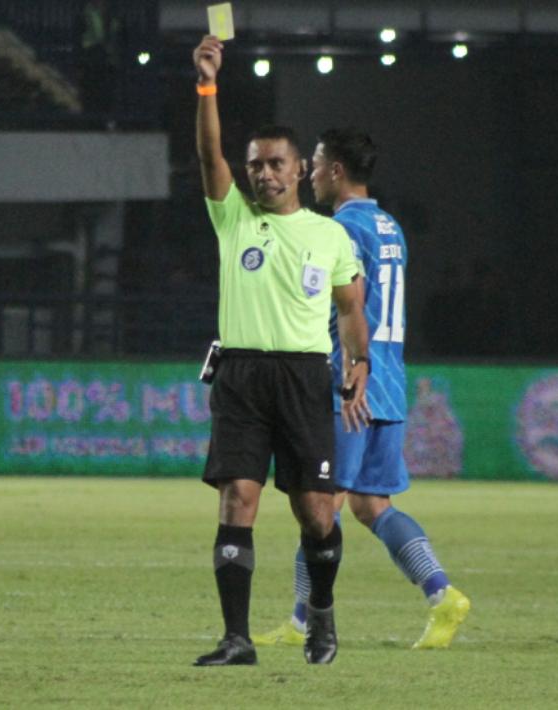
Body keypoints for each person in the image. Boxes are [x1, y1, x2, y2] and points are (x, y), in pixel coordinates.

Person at [251, 127, 471, 651]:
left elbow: (341, 302)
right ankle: (443, 595)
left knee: (319, 504)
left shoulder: (341, 228)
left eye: (317, 162)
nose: (310, 172)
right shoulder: (389, 225)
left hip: (349, 382)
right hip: (390, 378)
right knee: (371, 504)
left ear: (334, 171)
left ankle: (303, 621)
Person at [190, 36, 370, 667]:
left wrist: (359, 364)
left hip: (301, 377)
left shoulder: (329, 234)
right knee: (238, 497)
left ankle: (320, 615)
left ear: (298, 170)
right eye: (255, 164)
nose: (263, 173)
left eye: (275, 164)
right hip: (240, 374)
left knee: (316, 514)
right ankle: (236, 638)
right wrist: (208, 84)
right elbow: (208, 151)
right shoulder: (234, 219)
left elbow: (350, 307)